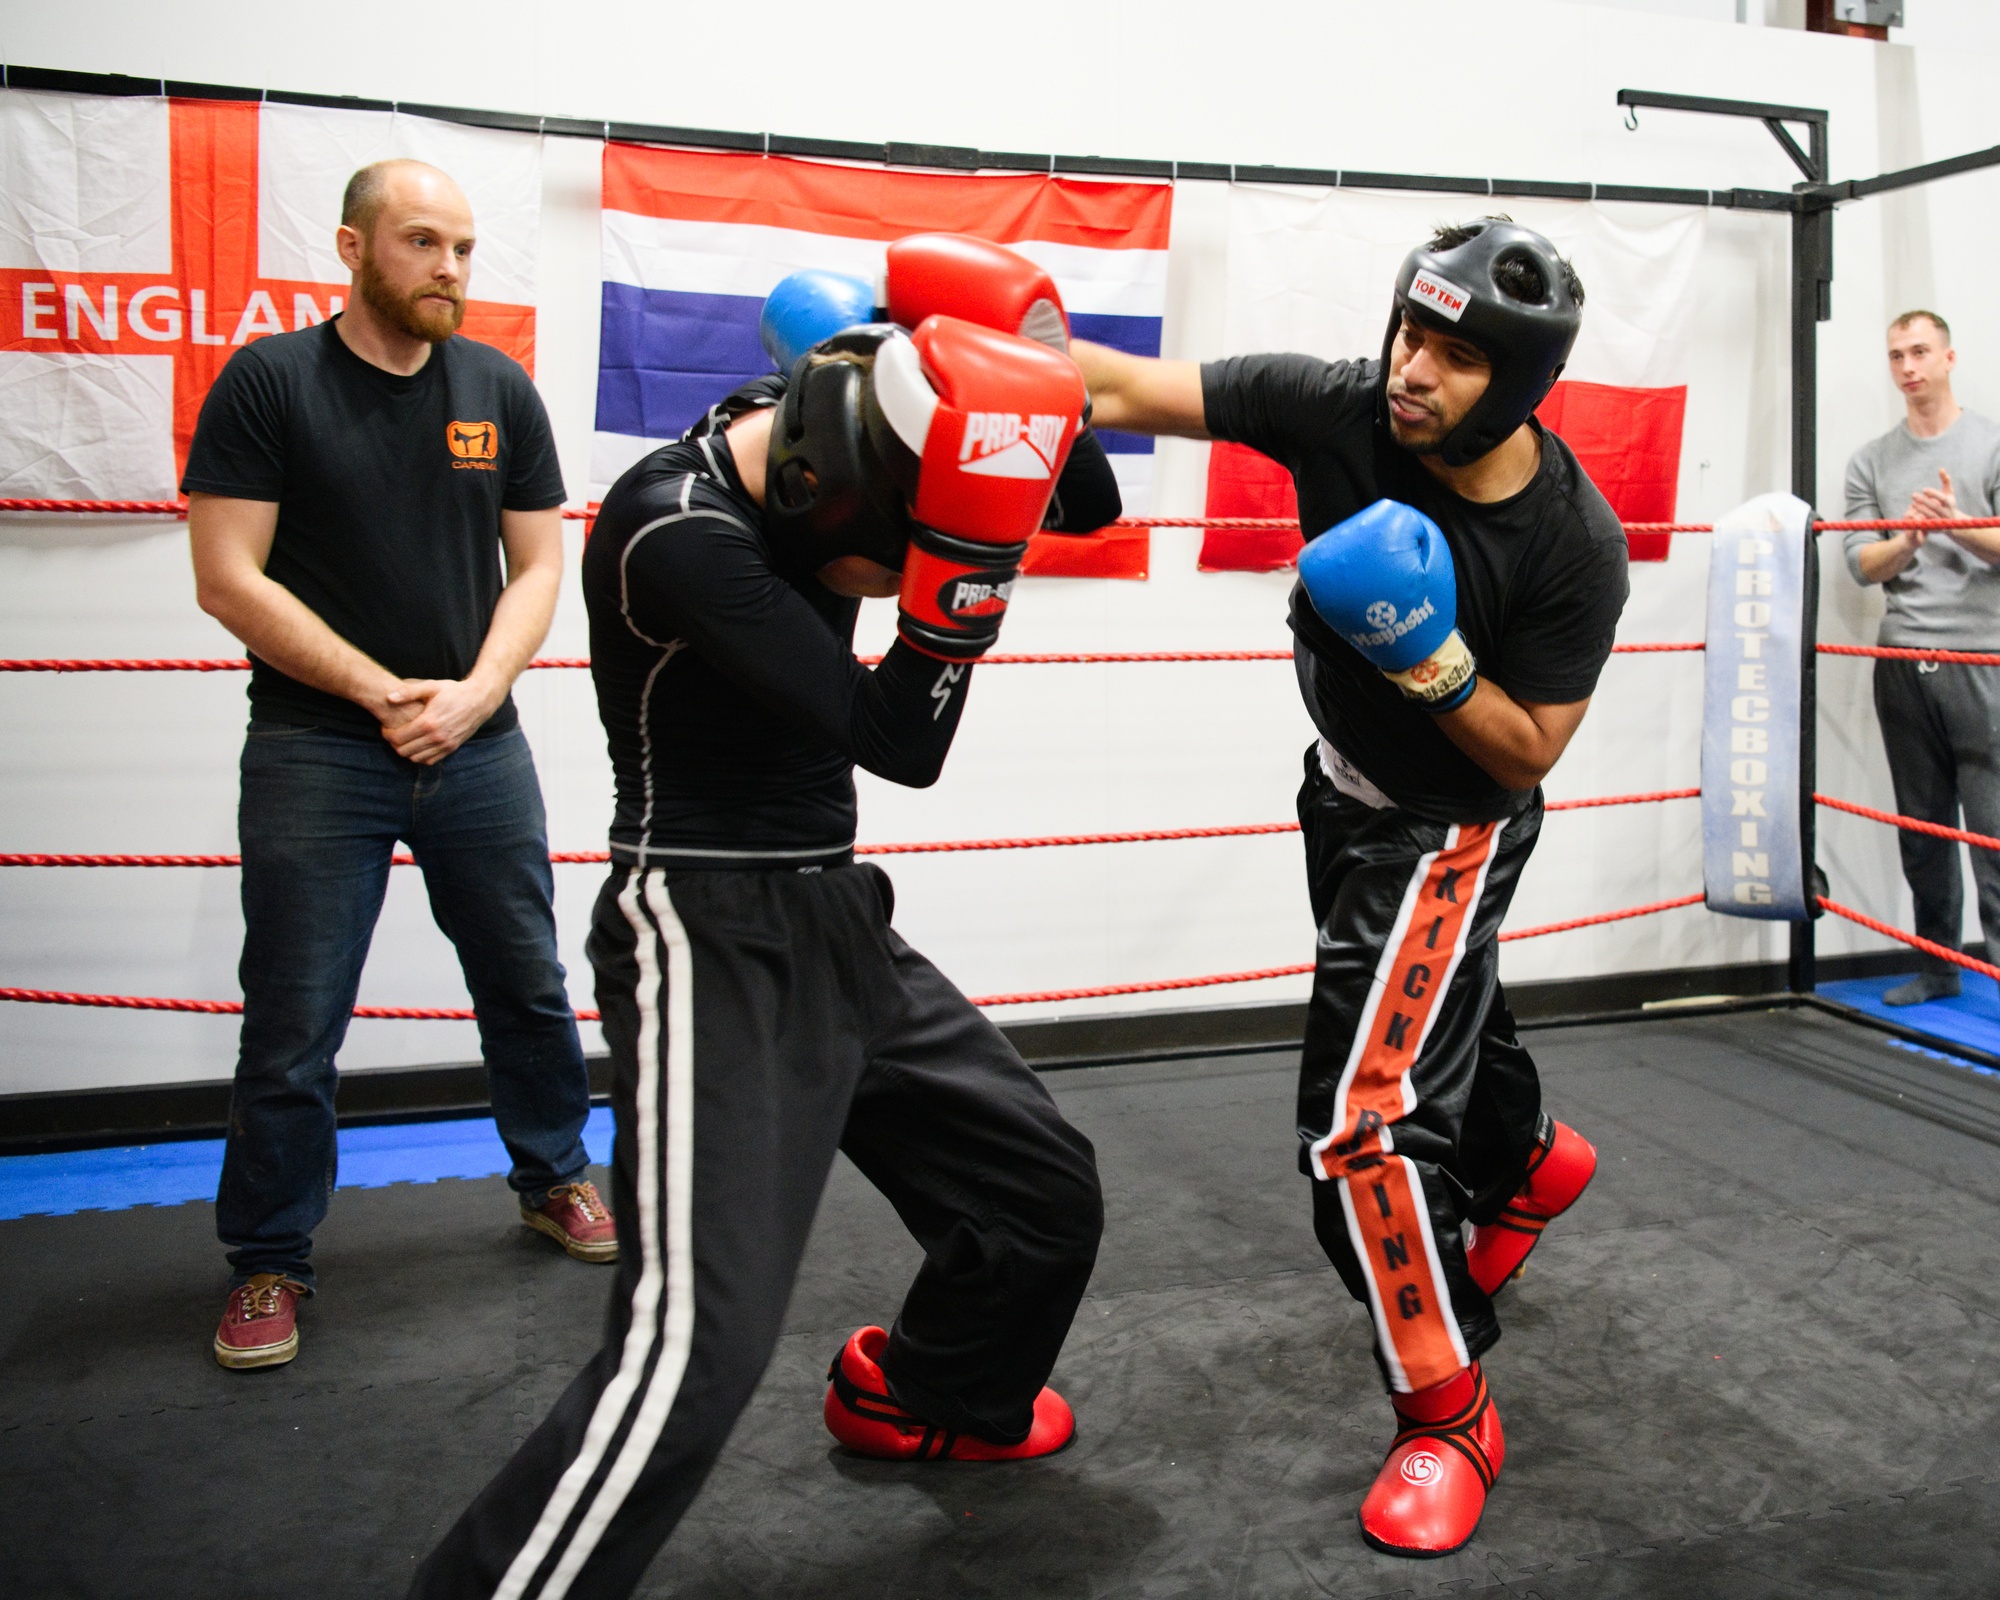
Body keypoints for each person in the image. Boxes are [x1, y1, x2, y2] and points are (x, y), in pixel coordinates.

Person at [406, 310, 1103, 1598]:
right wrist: (962, 567)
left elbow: (1090, 501)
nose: (898, 580)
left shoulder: (835, 414)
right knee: (692, 1352)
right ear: (824, 494)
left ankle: (925, 1396)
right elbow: (899, 740)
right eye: (897, 554)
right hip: (704, 930)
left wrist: (1044, 386)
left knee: (1039, 1196)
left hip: (835, 911)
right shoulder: (673, 530)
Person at [1071, 219, 1628, 1556]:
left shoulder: (1572, 543)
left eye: (1453, 355)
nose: (1412, 371)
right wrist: (959, 354)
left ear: (1519, 382)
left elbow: (1527, 751)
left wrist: (1424, 655)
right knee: (1430, 1014)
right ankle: (1530, 1158)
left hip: (1446, 831)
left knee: (1360, 1127)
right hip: (1338, 792)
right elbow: (1122, 386)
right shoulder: (1337, 406)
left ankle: (1449, 1411)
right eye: (1408, 333)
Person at [184, 159, 611, 1373]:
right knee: (293, 1016)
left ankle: (554, 1177)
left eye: (463, 247)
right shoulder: (271, 381)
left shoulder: (496, 387)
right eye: (422, 241)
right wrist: (381, 692)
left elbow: (538, 566)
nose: (449, 268)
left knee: (526, 982)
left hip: (478, 741)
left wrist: (473, 694)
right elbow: (226, 576)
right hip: (318, 746)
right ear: (352, 247)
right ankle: (269, 1256)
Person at [1843, 310, 2000, 1005]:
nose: (1908, 367)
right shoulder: (1872, 460)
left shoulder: (1991, 444)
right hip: (1905, 660)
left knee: (1992, 832)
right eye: (1896, 355)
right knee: (1922, 829)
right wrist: (1907, 540)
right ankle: (1938, 968)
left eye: (1919, 352)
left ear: (1948, 358)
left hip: (1982, 661)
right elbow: (1860, 563)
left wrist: (1957, 527)